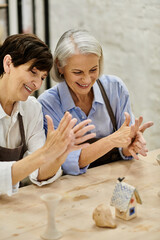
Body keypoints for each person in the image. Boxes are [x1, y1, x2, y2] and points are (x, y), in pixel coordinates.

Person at [38, 29, 153, 175]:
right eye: (78, 72)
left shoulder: (115, 88)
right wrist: (112, 140)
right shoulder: (47, 104)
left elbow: (125, 144)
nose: (86, 80)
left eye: (93, 70)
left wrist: (131, 144)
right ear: (60, 66)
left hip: (114, 180)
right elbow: (65, 162)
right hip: (73, 191)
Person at [0, 33, 97, 196]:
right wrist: (44, 154)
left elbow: (39, 173)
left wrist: (60, 153)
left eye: (42, 77)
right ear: (8, 63)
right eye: (33, 72)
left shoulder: (32, 109)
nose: (37, 84)